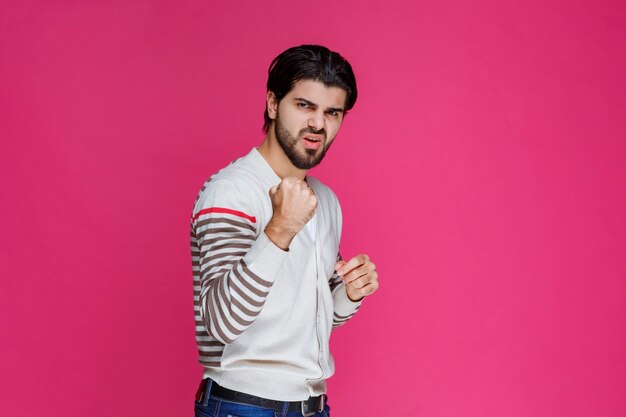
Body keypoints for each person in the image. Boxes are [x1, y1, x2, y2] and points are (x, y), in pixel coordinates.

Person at [190, 44, 379, 417]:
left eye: (332, 112)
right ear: (274, 104)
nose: (318, 124)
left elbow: (307, 320)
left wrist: (349, 294)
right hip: (243, 405)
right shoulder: (231, 191)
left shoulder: (325, 200)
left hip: (312, 405)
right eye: (304, 105)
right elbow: (221, 322)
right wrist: (279, 230)